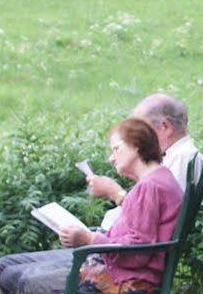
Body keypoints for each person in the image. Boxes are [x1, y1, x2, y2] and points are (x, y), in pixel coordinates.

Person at [0, 116, 185, 294]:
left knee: (28, 281)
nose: (111, 157)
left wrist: (89, 239)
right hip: (111, 260)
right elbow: (134, 233)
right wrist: (94, 236)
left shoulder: (151, 186)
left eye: (116, 148)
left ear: (136, 146)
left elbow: (137, 251)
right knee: (5, 266)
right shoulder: (153, 182)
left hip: (123, 274)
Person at [84, 93, 196, 226]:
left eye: (141, 131)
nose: (134, 138)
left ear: (165, 127)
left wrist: (115, 193)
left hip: (130, 245)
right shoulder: (176, 156)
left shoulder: (182, 158)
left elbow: (153, 216)